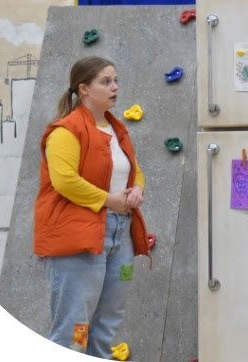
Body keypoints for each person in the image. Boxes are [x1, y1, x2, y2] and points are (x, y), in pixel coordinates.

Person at [33, 56, 150, 358]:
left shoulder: (117, 128)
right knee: (75, 329)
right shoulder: (65, 131)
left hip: (120, 235)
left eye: (116, 80)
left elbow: (133, 169)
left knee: (108, 323)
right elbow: (65, 181)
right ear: (83, 89)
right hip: (79, 239)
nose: (115, 87)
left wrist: (137, 189)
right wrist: (110, 200)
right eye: (106, 82)